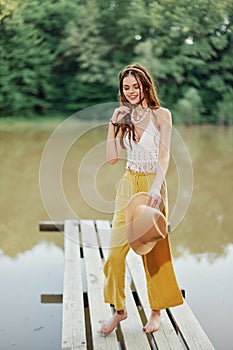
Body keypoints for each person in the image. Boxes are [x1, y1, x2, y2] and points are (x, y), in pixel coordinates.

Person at [99, 63, 183, 336]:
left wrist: (156, 189)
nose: (132, 91)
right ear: (121, 90)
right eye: (126, 87)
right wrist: (113, 122)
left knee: (155, 253)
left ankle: (157, 311)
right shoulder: (123, 117)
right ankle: (119, 310)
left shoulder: (162, 115)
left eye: (136, 86)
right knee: (114, 254)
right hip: (127, 184)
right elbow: (112, 158)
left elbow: (164, 156)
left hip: (152, 184)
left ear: (146, 86)